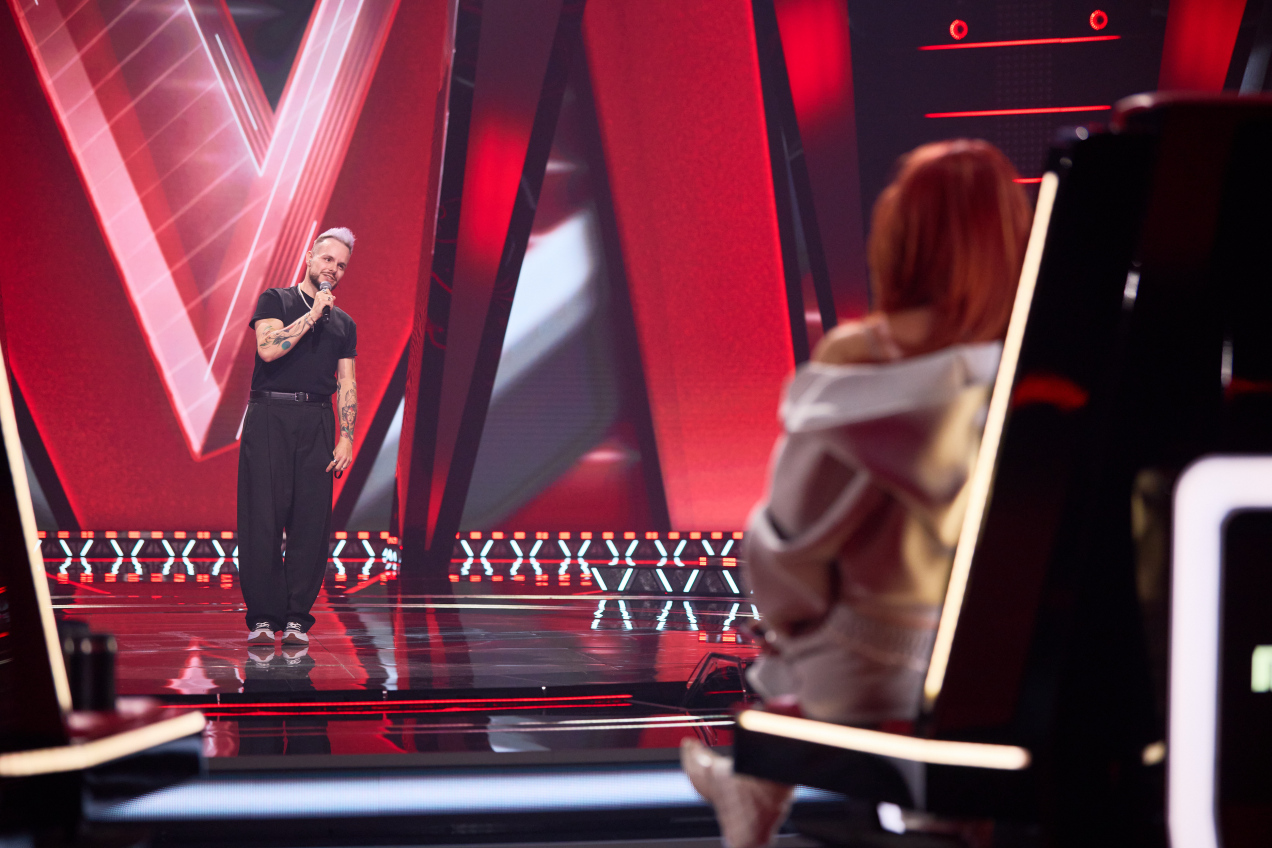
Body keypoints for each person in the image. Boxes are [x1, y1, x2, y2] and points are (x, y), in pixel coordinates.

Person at [682, 140, 1032, 848]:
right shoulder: (1040, 375)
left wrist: (787, 629)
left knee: (792, 637)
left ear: (899, 240)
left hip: (871, 667)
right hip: (1002, 669)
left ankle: (756, 786)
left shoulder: (856, 374)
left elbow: (786, 552)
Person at [240, 227, 359, 647]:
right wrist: (312, 315)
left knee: (311, 521)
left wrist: (347, 436)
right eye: (327, 259)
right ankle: (263, 617)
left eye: (341, 265)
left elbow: (347, 383)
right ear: (309, 257)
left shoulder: (344, 324)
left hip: (317, 419)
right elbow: (268, 348)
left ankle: (295, 618)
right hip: (270, 415)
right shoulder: (276, 300)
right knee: (262, 517)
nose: (333, 269)